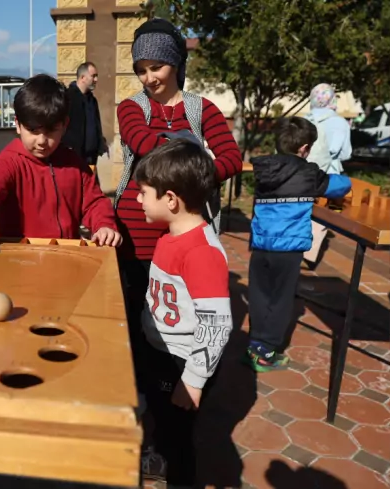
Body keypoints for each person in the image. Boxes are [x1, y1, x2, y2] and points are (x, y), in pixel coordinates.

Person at [114, 15, 242, 384]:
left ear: (177, 63)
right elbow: (142, 144)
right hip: (135, 231)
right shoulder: (132, 107)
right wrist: (193, 164)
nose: (149, 78)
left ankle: (182, 383)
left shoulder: (202, 110)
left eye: (157, 66)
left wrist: (190, 176)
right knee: (133, 310)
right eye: (141, 70)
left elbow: (231, 158)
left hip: (182, 234)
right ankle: (134, 387)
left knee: (175, 312)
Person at [133, 138, 232, 486]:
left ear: (171, 199)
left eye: (144, 192)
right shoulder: (167, 236)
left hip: (181, 361)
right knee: (162, 418)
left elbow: (216, 324)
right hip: (160, 350)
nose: (137, 198)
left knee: (179, 439)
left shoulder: (202, 253)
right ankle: (158, 453)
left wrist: (192, 380)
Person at [0, 74, 122, 265]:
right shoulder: (7, 163)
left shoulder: (74, 163)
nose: (42, 141)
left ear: (65, 125)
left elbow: (94, 202)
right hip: (17, 262)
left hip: (66, 261)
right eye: (33, 130)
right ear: (18, 125)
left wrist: (104, 226)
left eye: (51, 130)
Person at [245, 117, 351, 371]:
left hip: (261, 244)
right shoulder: (308, 173)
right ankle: (265, 351)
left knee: (259, 295)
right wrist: (347, 181)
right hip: (289, 249)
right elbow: (339, 186)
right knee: (281, 299)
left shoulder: (263, 169)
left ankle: (254, 343)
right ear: (304, 148)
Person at [302, 83, 353, 268]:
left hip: (301, 170)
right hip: (327, 172)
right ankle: (309, 253)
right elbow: (346, 153)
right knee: (321, 214)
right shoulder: (339, 123)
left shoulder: (305, 120)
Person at [61, 62, 107, 171]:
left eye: (96, 76)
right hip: (73, 156)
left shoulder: (92, 100)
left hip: (91, 157)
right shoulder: (68, 98)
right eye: (93, 76)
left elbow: (96, 124)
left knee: (90, 186)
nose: (96, 80)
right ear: (83, 77)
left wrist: (100, 144)